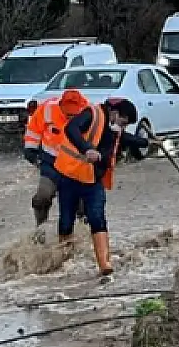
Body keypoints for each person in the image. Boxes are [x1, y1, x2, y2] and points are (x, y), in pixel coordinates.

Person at [53, 98, 160, 276]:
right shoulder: (92, 114)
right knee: (66, 220)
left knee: (97, 217)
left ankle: (105, 264)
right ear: (115, 113)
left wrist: (147, 143)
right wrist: (86, 148)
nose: (122, 127)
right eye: (123, 122)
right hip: (69, 176)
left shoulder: (113, 128)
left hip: (94, 179)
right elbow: (71, 129)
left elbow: (124, 139)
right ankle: (65, 265)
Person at [22, 89, 88, 227]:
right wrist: (30, 149)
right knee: (42, 197)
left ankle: (83, 233)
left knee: (82, 205)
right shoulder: (47, 109)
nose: (70, 116)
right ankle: (40, 228)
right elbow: (34, 129)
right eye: (67, 113)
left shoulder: (89, 113)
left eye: (73, 114)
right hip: (51, 162)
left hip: (77, 165)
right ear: (61, 105)